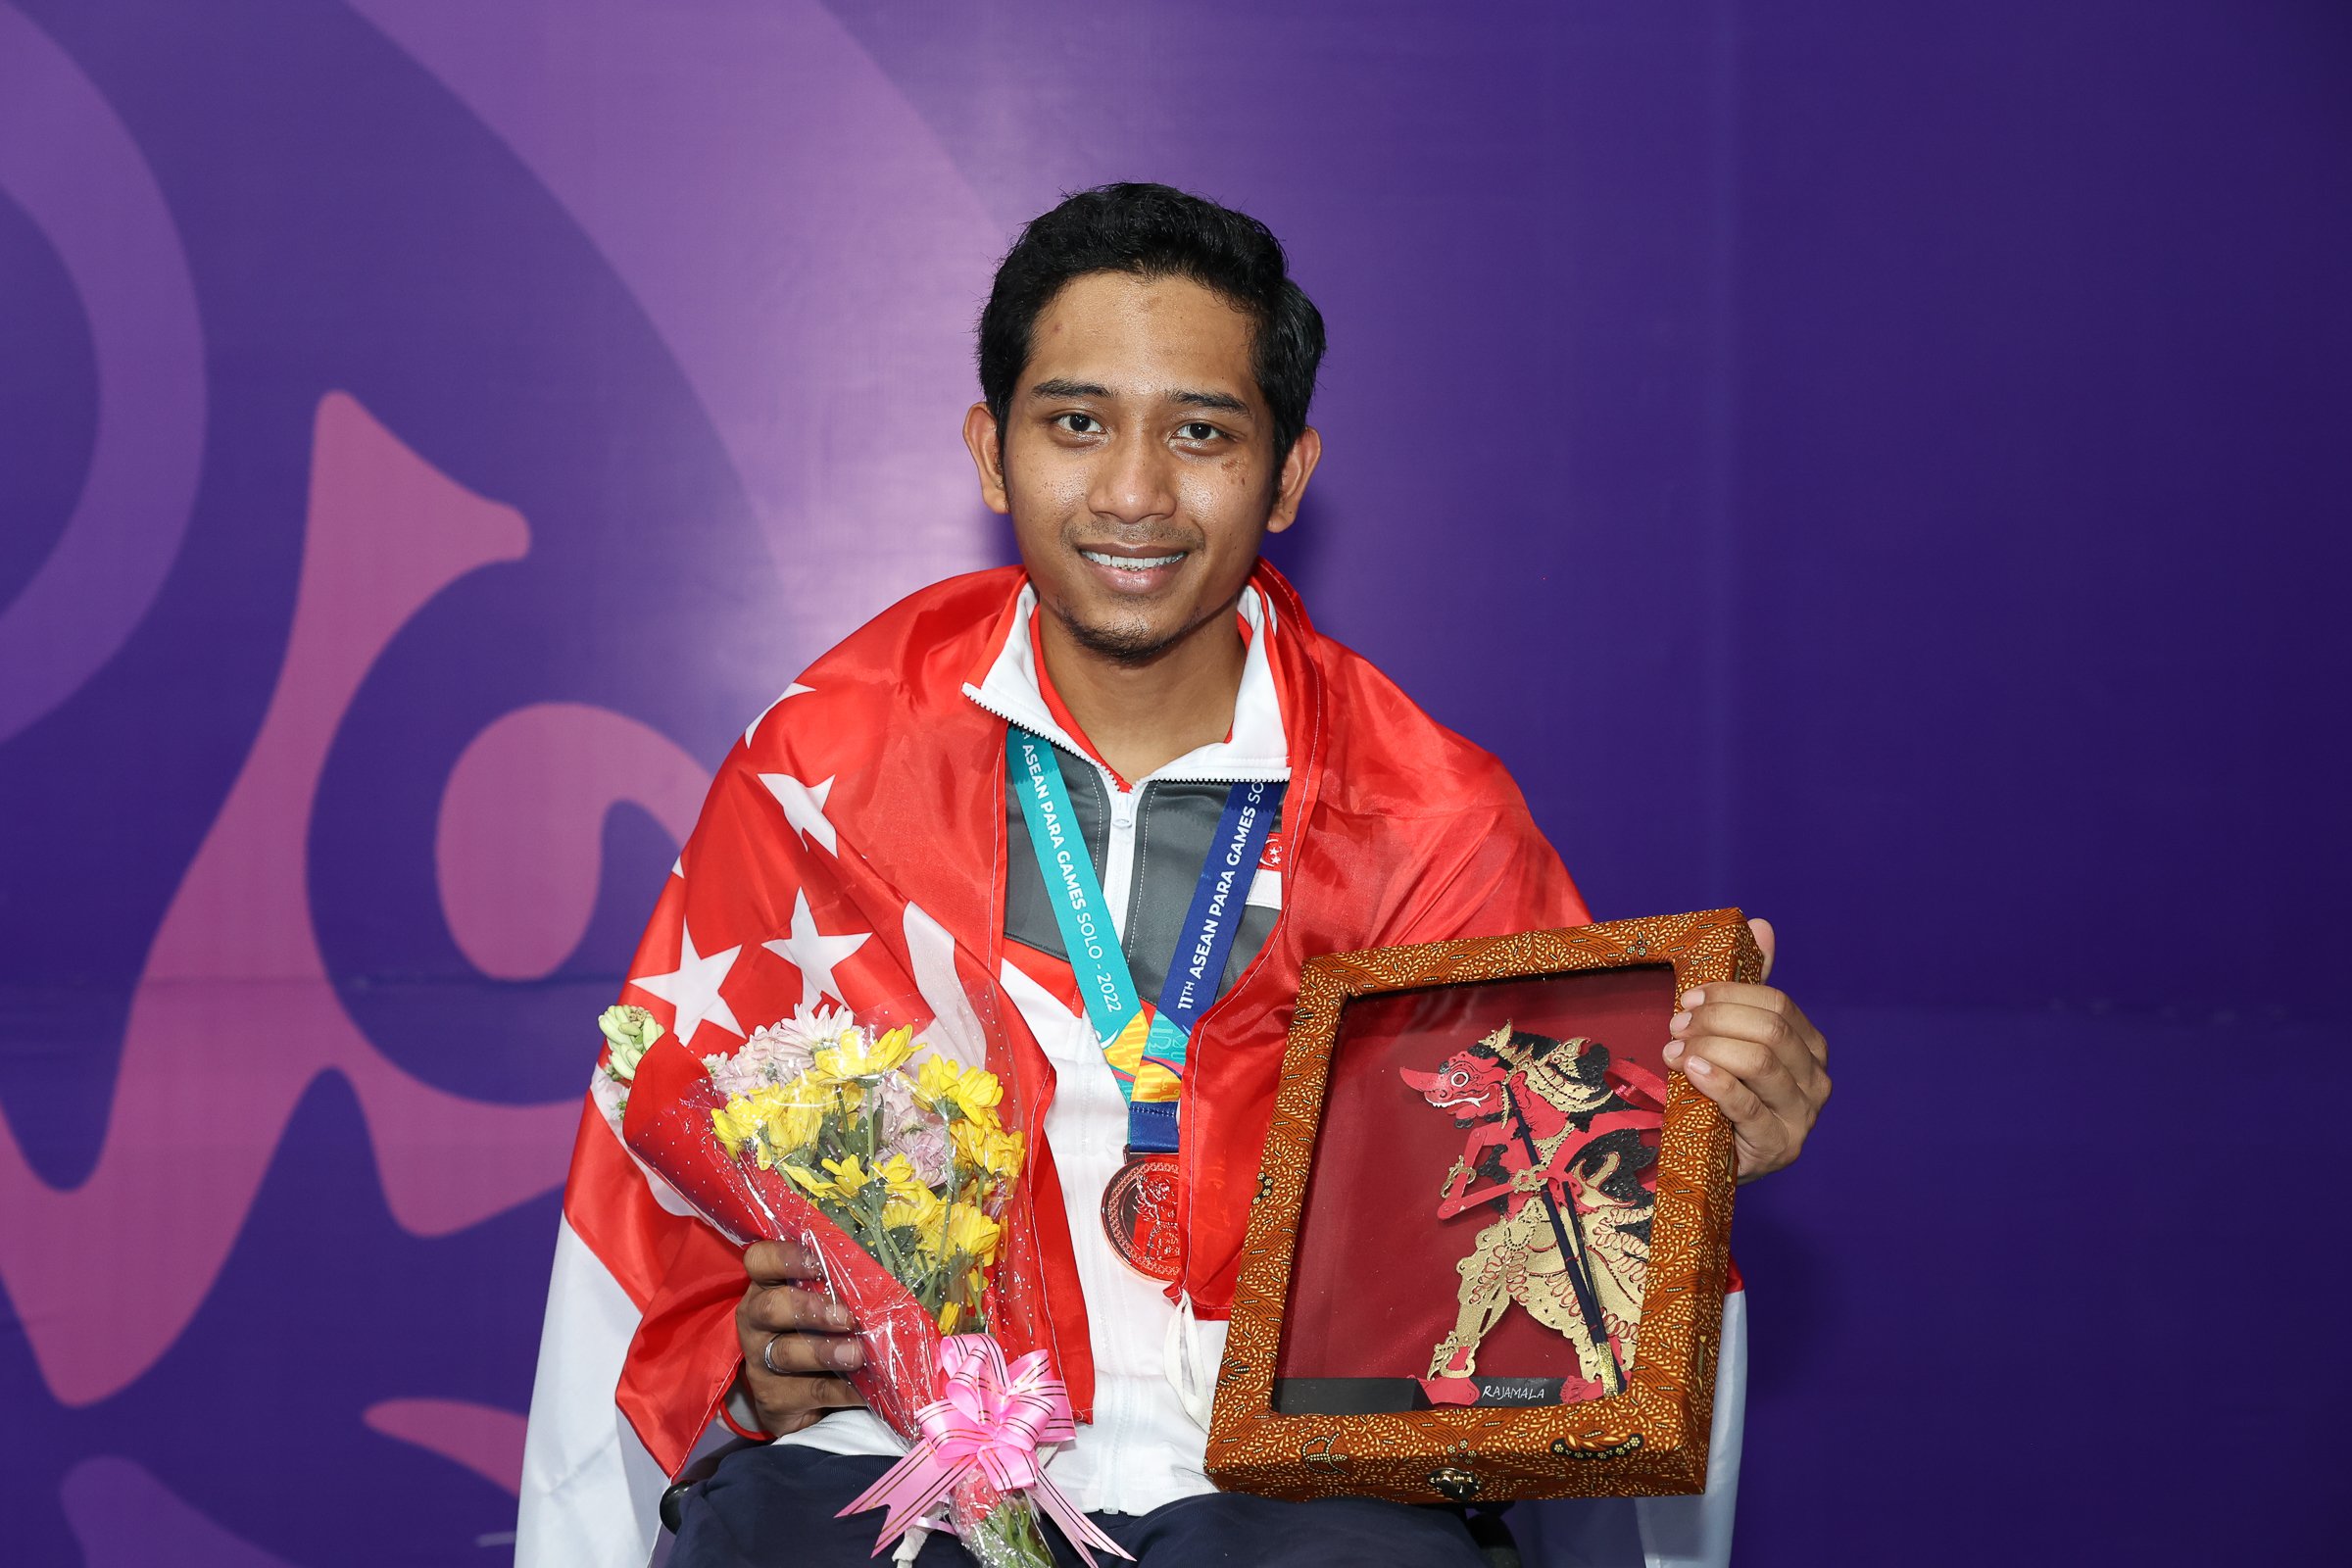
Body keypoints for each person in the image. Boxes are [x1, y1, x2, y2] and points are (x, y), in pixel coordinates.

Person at [515, 183, 1831, 1568]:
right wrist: (751, 1355)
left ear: (1287, 475)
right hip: (912, 1455)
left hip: (1305, 1488)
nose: (1134, 492)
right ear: (990, 449)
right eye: (1076, 424)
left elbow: (1544, 1269)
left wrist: (1693, 1153)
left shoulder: (1428, 816)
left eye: (1201, 433)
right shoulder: (827, 764)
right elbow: (655, 1228)